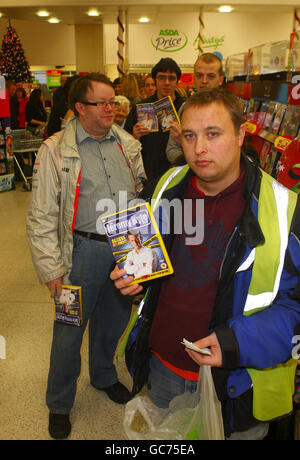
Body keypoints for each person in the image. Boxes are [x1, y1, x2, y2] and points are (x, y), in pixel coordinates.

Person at [111, 88, 300, 440]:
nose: (199, 149)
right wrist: (132, 279)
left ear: (241, 135)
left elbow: (296, 308)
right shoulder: (164, 188)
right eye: (190, 136)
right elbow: (146, 266)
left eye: (213, 134)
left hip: (237, 380)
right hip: (162, 366)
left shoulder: (285, 210)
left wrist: (234, 343)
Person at [26, 72, 146, 440]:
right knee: (67, 332)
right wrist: (51, 269)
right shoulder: (54, 150)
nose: (113, 108)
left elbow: (140, 192)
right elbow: (41, 215)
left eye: (115, 101)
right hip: (78, 254)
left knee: (114, 320)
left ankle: (104, 376)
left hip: (123, 249)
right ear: (80, 108)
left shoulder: (126, 143)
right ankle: (59, 404)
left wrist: (141, 250)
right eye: (104, 103)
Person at [124, 58, 185, 182]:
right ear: (155, 81)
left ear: (177, 81)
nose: (167, 82)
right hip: (148, 174)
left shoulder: (187, 108)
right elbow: (125, 143)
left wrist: (183, 138)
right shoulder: (140, 107)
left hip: (178, 172)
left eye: (171, 78)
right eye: (162, 78)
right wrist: (134, 136)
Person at [166, 52, 224, 164]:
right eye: (199, 75)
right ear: (194, 78)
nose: (204, 81)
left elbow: (231, 153)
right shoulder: (185, 109)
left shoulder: (228, 110)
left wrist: (185, 143)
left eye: (211, 76)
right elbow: (171, 150)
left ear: (220, 80)